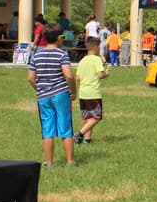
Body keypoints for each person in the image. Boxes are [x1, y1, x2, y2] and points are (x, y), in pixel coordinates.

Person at [27, 25, 77, 167]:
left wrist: (40, 88)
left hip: (43, 96)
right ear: (58, 38)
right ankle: (70, 161)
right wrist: (73, 91)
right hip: (61, 94)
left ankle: (49, 163)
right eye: (62, 36)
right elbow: (68, 75)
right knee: (65, 127)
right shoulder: (62, 54)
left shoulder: (36, 55)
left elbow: (30, 77)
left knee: (47, 129)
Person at [74, 37, 109, 145]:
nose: (99, 48)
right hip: (93, 93)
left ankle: (87, 139)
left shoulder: (83, 60)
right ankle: (79, 134)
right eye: (99, 46)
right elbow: (100, 74)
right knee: (96, 117)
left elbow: (78, 77)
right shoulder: (96, 59)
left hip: (83, 93)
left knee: (87, 117)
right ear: (95, 47)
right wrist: (106, 71)